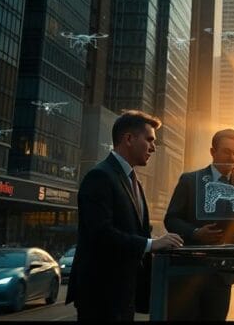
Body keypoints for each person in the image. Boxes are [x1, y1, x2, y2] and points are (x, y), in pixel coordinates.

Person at [67, 110, 184, 321]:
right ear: (129, 138)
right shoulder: (99, 177)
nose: (154, 147)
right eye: (149, 139)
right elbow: (100, 234)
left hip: (124, 293)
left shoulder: (134, 182)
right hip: (100, 294)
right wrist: (151, 244)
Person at [164, 128, 234, 320]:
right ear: (213, 152)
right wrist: (195, 232)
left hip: (221, 274)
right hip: (187, 271)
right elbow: (171, 219)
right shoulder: (190, 180)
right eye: (226, 151)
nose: (232, 157)